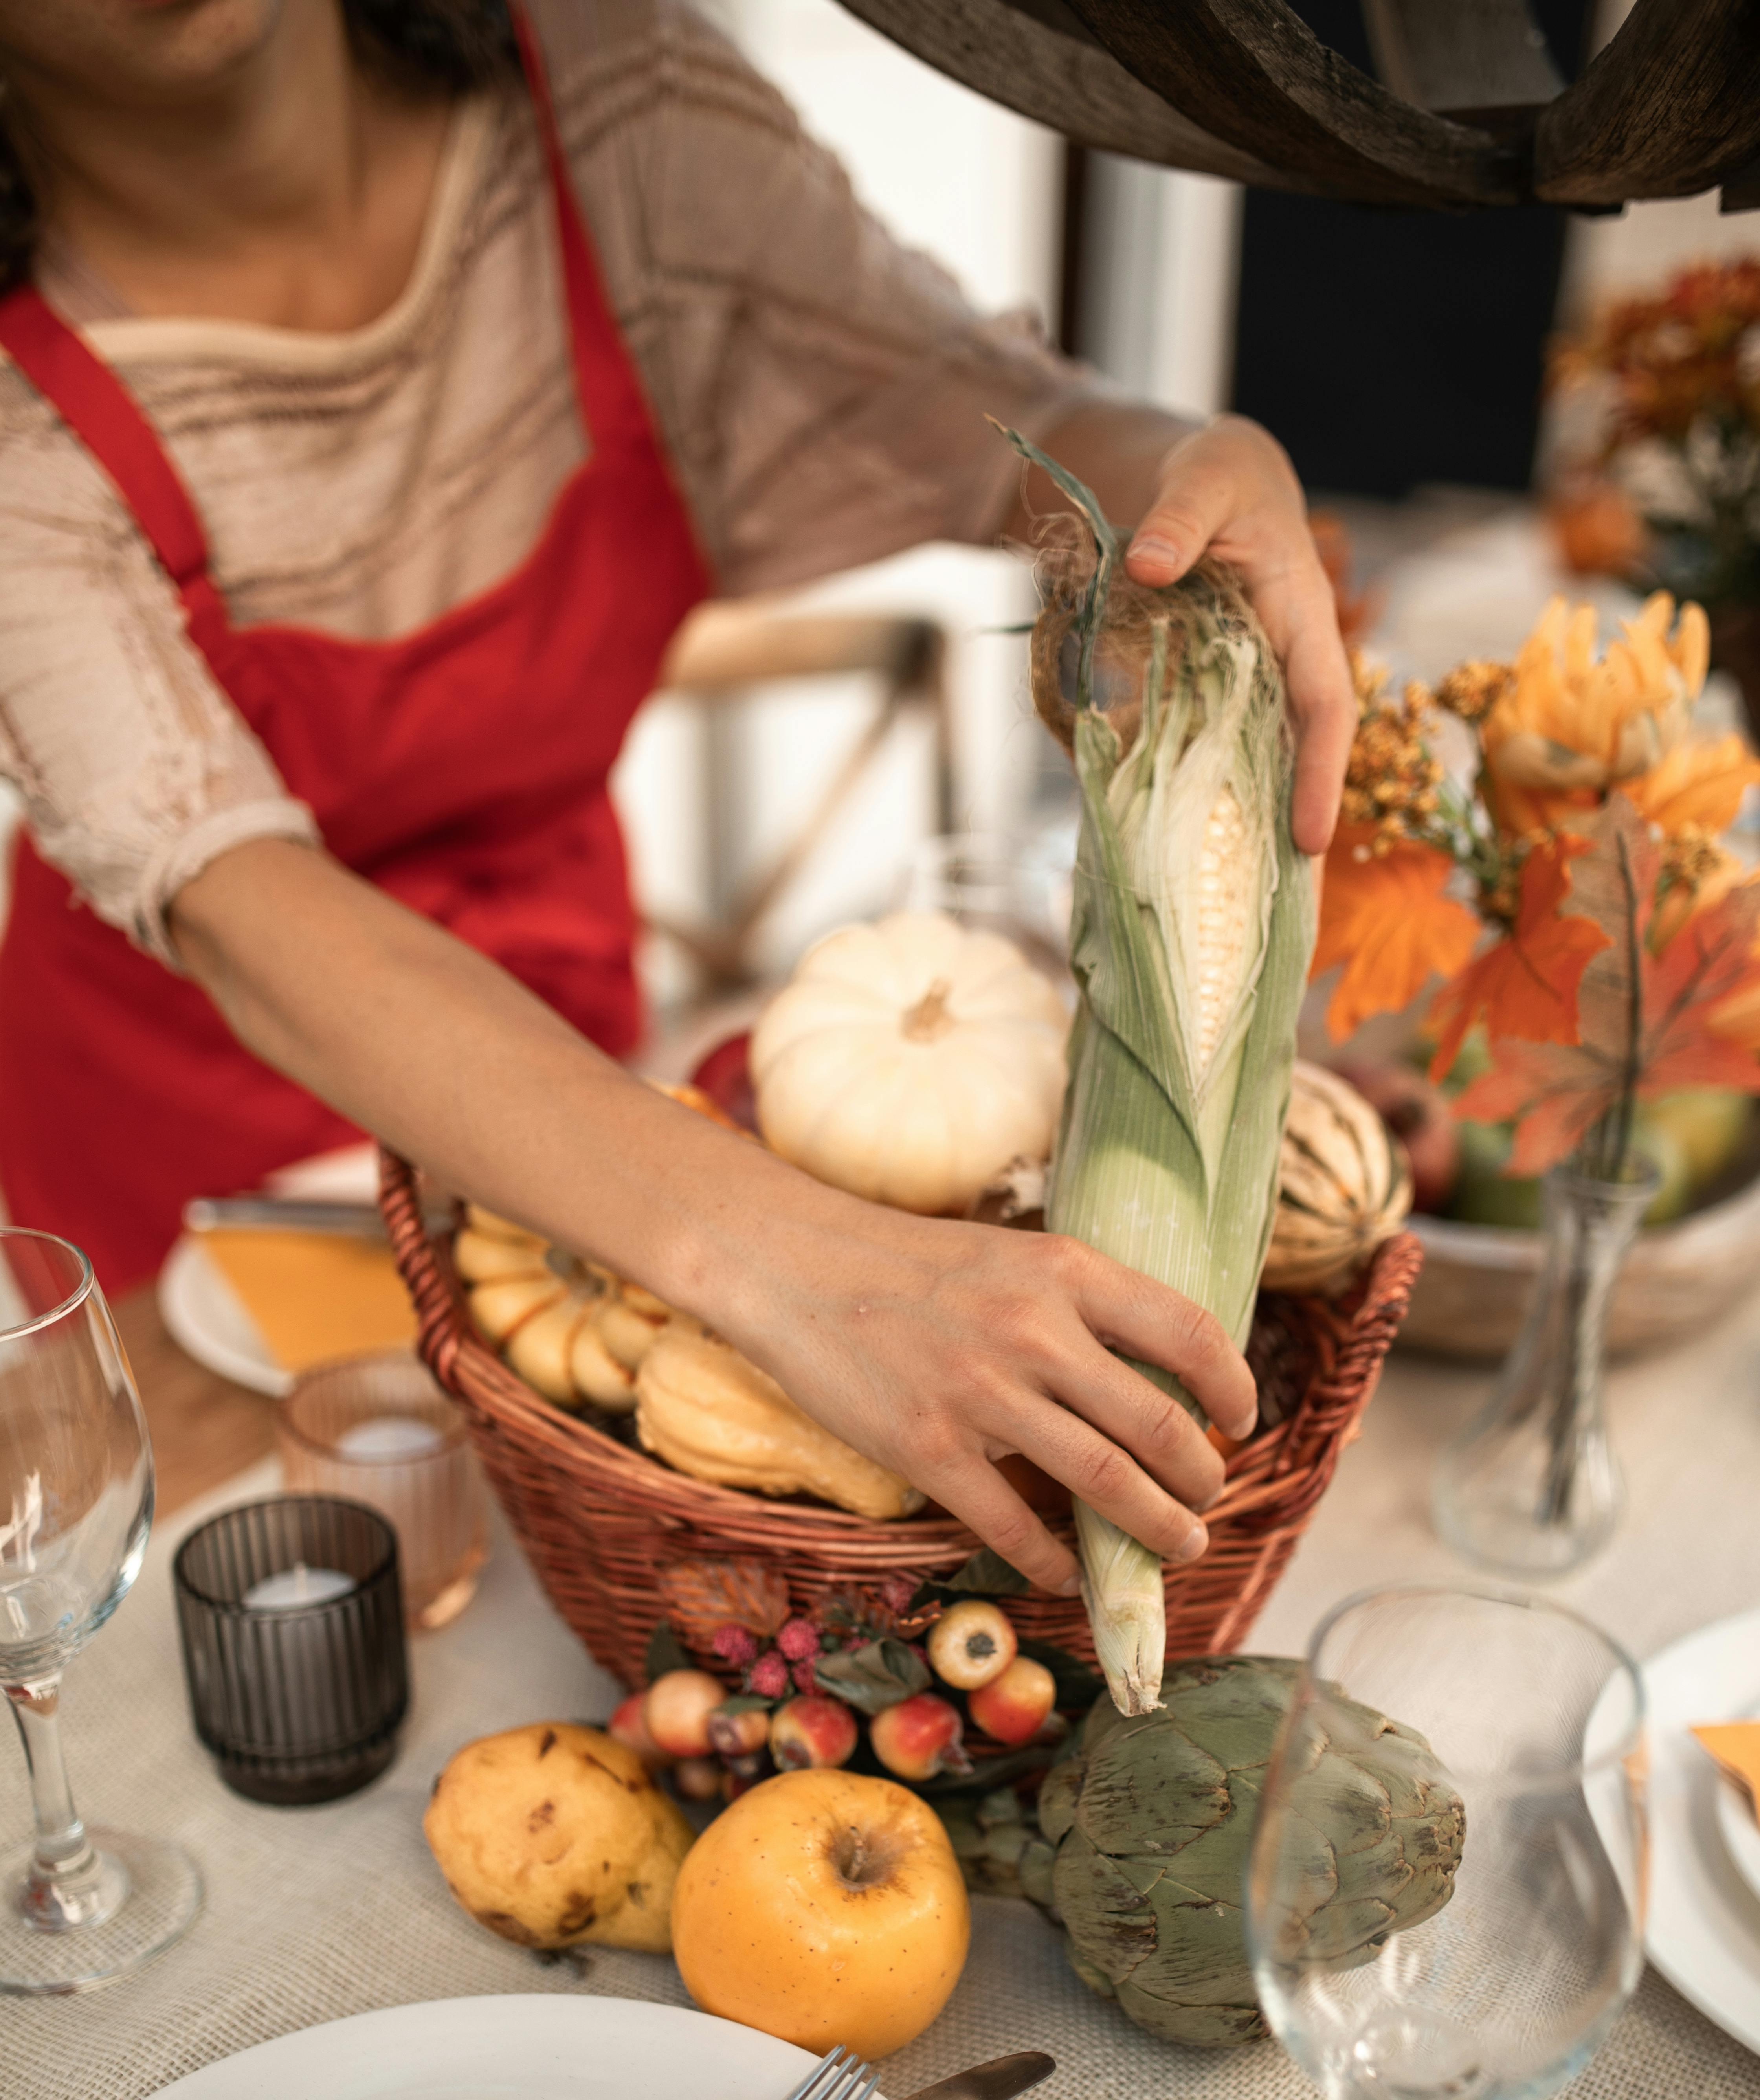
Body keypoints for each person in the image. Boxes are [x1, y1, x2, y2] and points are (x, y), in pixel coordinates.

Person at [0, 0, 1353, 1595]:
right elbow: (242, 914)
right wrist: (785, 1258)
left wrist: (1197, 463)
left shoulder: (614, 101)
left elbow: (1004, 422)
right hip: (187, 1168)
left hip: (576, 1083)